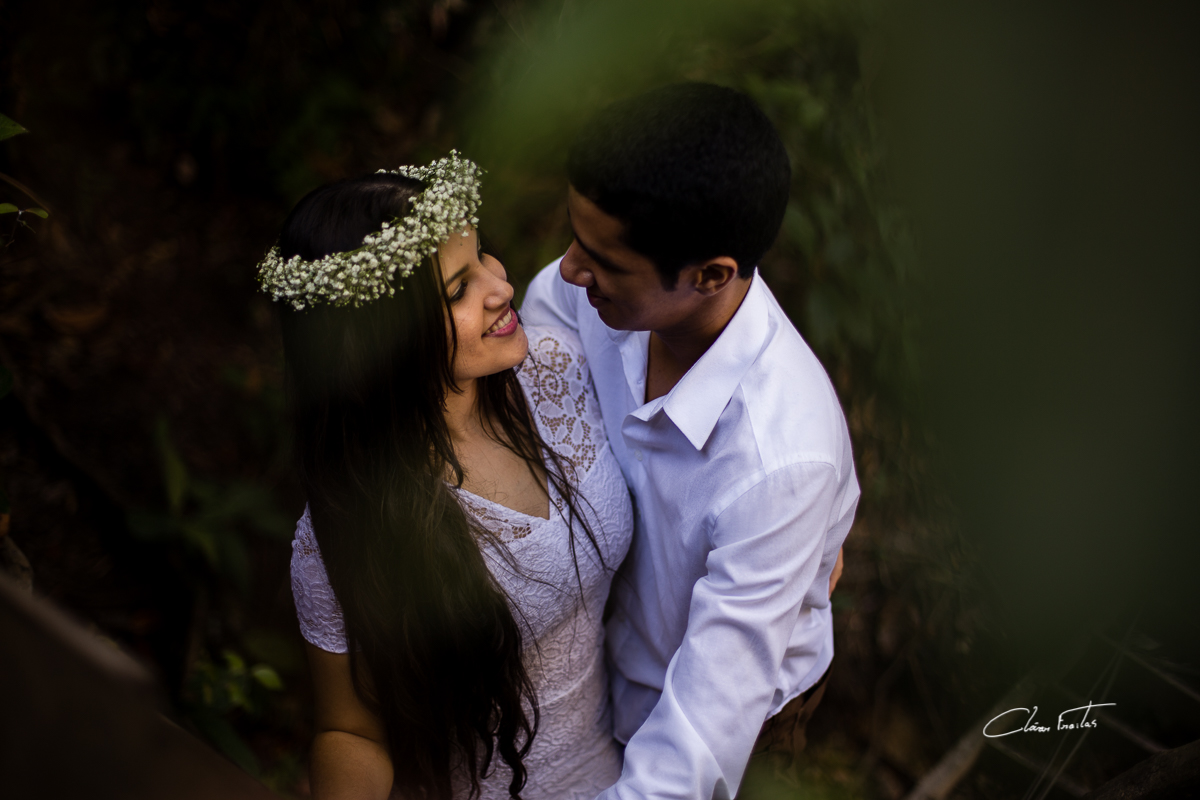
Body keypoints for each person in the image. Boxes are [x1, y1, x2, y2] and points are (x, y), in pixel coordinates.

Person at [520, 83, 859, 799]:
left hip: (725, 723)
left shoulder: (780, 463)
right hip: (590, 678)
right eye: (576, 240)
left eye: (604, 262)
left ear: (710, 276)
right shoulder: (588, 296)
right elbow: (546, 325)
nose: (571, 270)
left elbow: (698, 743)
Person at [260, 153, 633, 800]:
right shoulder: (347, 531)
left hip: (634, 764)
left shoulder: (560, 369)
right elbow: (352, 731)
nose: (501, 286)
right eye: (459, 288)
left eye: (483, 254)